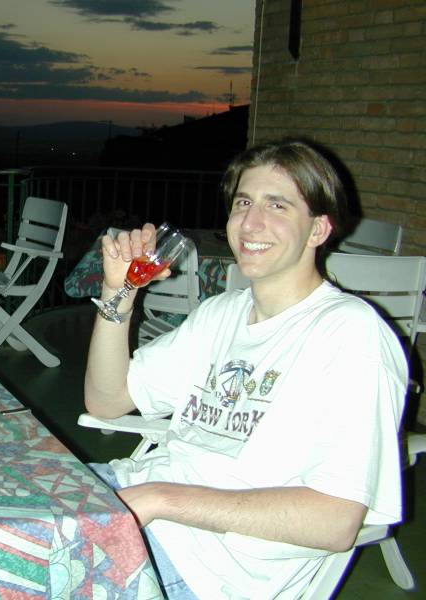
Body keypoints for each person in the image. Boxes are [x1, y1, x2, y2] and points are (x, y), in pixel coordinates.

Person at [84, 139, 407, 599]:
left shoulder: (350, 334)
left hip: (205, 564)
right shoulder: (220, 313)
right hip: (133, 495)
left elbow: (337, 521)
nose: (251, 223)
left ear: (318, 229)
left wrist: (160, 498)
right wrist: (120, 293)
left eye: (277, 205)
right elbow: (106, 401)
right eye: (243, 202)